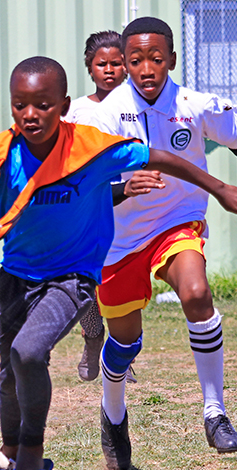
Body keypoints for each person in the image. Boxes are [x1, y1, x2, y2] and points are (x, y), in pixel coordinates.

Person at [0, 56, 237, 470]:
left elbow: (162, 157)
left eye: (43, 105)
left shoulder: (90, 148)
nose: (30, 115)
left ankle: (32, 454)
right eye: (19, 105)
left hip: (71, 277)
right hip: (15, 277)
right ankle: (10, 459)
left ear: (64, 105)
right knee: (10, 372)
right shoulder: (1, 151)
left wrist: (218, 188)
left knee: (27, 352)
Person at [87, 17, 237, 470]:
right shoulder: (105, 115)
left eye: (155, 58)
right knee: (124, 342)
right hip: (118, 239)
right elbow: (84, 185)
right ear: (125, 65)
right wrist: (122, 190)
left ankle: (215, 414)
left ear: (171, 58)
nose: (146, 68)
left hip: (177, 223)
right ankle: (113, 415)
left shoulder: (194, 105)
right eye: (135, 61)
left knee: (195, 292)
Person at [62, 30, 134, 383]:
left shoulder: (139, 107)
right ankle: (93, 339)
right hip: (88, 208)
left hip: (131, 209)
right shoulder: (77, 111)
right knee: (86, 282)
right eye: (101, 64)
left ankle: (122, 351)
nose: (109, 70)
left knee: (123, 282)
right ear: (89, 68)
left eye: (116, 63)